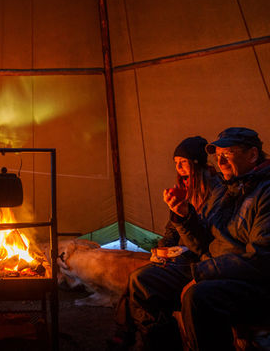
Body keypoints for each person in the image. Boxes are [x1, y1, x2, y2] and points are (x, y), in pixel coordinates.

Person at [112, 127, 270, 351]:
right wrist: (183, 216)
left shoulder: (265, 193)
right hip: (213, 268)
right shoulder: (228, 190)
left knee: (198, 296)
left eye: (228, 153)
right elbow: (205, 241)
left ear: (252, 155)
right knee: (143, 280)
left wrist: (201, 272)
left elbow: (261, 260)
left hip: (250, 282)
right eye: (218, 155)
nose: (221, 161)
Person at [110, 136, 220, 350]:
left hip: (199, 259)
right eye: (176, 163)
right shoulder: (182, 188)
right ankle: (133, 333)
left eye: (183, 162)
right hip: (180, 255)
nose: (178, 168)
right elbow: (172, 229)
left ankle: (142, 337)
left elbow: (205, 241)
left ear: (196, 163)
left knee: (140, 280)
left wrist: (184, 218)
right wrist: (162, 249)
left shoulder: (215, 191)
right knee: (137, 276)